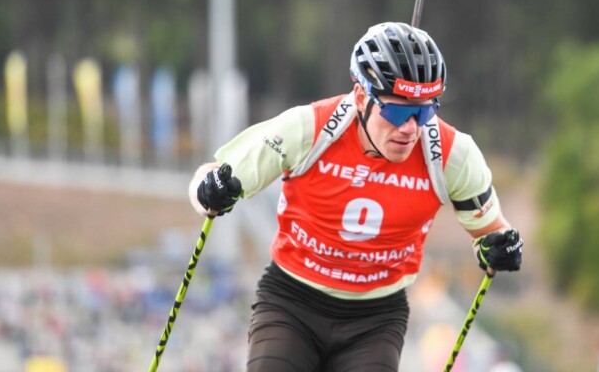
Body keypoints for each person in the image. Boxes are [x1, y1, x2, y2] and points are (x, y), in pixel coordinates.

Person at [188, 22, 524, 371]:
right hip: (293, 301)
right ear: (362, 97)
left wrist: (502, 249)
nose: (410, 128)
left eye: (424, 111)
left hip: (375, 319)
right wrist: (208, 191)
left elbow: (492, 233)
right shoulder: (309, 128)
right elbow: (207, 179)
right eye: (397, 111)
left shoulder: (453, 154)